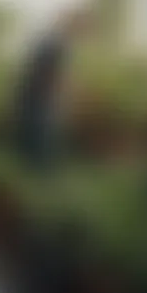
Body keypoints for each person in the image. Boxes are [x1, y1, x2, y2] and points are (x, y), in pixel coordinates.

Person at [15, 9, 90, 173]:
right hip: (38, 96)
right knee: (41, 132)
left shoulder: (54, 40)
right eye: (81, 26)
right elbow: (49, 74)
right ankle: (40, 169)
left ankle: (36, 167)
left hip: (35, 95)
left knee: (39, 132)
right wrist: (62, 93)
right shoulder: (55, 42)